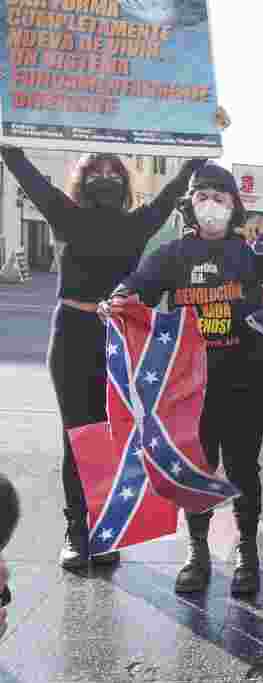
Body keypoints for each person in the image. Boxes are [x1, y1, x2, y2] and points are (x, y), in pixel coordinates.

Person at [102, 162, 263, 596]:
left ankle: (247, 553)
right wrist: (119, 298)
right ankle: (197, 552)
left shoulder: (250, 251)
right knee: (196, 467)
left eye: (220, 198)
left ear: (234, 207)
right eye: (202, 197)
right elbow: (138, 283)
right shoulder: (174, 254)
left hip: (245, 377)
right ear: (189, 207)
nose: (210, 205)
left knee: (242, 468)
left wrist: (261, 227)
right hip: (189, 384)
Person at [0, 146, 208, 569]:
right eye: (96, 169)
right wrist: (11, 147)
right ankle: (77, 531)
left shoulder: (138, 223)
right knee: (77, 435)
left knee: (112, 435)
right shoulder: (64, 213)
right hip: (73, 336)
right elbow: (29, 177)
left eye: (115, 170)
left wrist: (191, 161)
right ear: (82, 177)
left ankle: (105, 529)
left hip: (118, 335)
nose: (106, 175)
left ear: (125, 181)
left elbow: (169, 195)